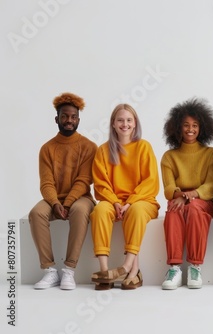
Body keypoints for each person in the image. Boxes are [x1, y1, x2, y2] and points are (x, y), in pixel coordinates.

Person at [28, 92, 97, 290]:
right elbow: (46, 183)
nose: (69, 121)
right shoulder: (47, 149)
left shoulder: (89, 147)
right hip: (54, 199)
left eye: (73, 117)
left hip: (81, 197)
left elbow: (84, 181)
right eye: (65, 116)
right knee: (36, 213)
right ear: (57, 119)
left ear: (78, 120)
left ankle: (69, 270)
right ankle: (49, 271)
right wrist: (56, 203)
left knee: (80, 210)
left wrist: (67, 203)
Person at [90, 104, 160, 290]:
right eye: (120, 120)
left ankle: (128, 267)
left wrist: (129, 203)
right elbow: (101, 184)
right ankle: (105, 273)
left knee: (135, 211)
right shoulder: (103, 151)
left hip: (142, 201)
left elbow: (150, 182)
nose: (125, 124)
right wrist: (114, 202)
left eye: (129, 120)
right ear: (113, 124)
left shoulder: (144, 147)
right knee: (99, 210)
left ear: (135, 123)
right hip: (113, 201)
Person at [160, 98, 213, 290]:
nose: (190, 129)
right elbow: (168, 187)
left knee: (193, 207)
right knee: (173, 210)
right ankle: (174, 268)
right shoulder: (169, 156)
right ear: (177, 128)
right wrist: (180, 195)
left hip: (203, 199)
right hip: (179, 198)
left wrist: (192, 194)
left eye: (195, 125)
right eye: (186, 125)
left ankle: (195, 266)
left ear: (202, 128)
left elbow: (212, 186)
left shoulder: (211, 153)